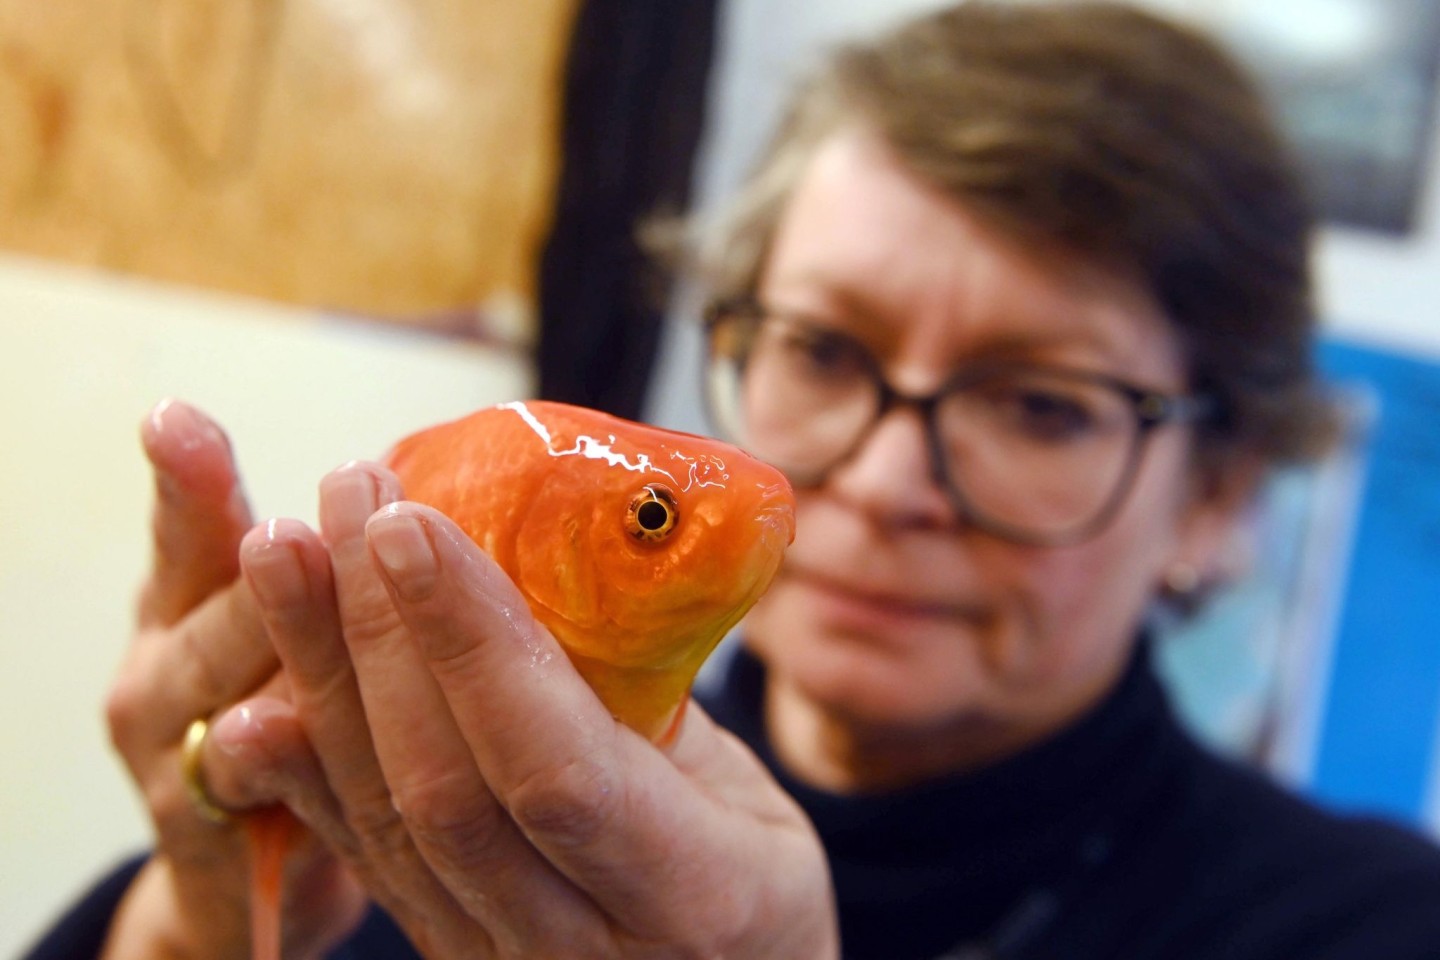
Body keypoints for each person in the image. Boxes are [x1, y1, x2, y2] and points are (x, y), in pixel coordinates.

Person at [25, 2, 1440, 959]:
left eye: (1039, 404)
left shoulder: (1374, 925)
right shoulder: (436, 804)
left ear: (1220, 496)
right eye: (823, 347)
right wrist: (195, 916)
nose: (882, 481)